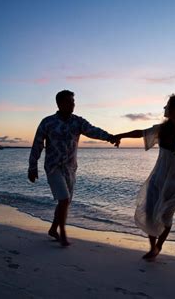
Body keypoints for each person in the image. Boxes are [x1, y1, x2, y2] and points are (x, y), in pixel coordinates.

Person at [115, 94, 175, 260]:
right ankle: (153, 248)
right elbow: (141, 133)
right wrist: (119, 135)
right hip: (157, 177)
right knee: (150, 212)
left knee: (166, 215)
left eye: (167, 105)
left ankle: (159, 245)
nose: (164, 108)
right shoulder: (163, 128)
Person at [28, 90, 118, 246]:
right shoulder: (47, 122)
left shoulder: (78, 122)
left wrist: (110, 137)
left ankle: (53, 229)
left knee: (65, 202)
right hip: (53, 167)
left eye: (73, 102)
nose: (72, 105)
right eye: (69, 102)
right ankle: (62, 233)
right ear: (59, 104)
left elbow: (93, 131)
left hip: (70, 168)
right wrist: (32, 166)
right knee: (64, 199)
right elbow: (37, 144)